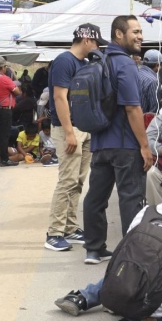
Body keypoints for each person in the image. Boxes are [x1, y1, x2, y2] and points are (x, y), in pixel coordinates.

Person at [55, 167, 162, 321]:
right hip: (156, 308)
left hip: (123, 292)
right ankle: (149, 317)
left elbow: (125, 255)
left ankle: (85, 296)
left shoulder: (147, 211)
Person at [82, 15, 154, 265]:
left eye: (141, 31)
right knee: (131, 198)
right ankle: (130, 254)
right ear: (118, 34)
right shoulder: (124, 64)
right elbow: (133, 108)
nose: (140, 36)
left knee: (96, 197)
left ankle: (94, 249)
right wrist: (145, 146)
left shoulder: (100, 61)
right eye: (135, 31)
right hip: (124, 145)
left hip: (100, 143)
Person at [45, 23, 104, 251]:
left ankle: (70, 227)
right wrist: (69, 132)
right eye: (97, 42)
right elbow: (59, 98)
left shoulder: (85, 63)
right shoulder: (65, 61)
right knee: (67, 181)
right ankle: (54, 232)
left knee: (78, 181)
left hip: (84, 128)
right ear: (87, 40)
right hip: (69, 128)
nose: (98, 47)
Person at [0, 56, 20, 167]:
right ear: (3, 67)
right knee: (4, 135)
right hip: (4, 110)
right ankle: (5, 159)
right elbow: (18, 92)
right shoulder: (4, 79)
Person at [137, 49, 162, 115]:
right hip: (144, 121)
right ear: (157, 65)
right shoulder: (153, 81)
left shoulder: (135, 73)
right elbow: (155, 109)